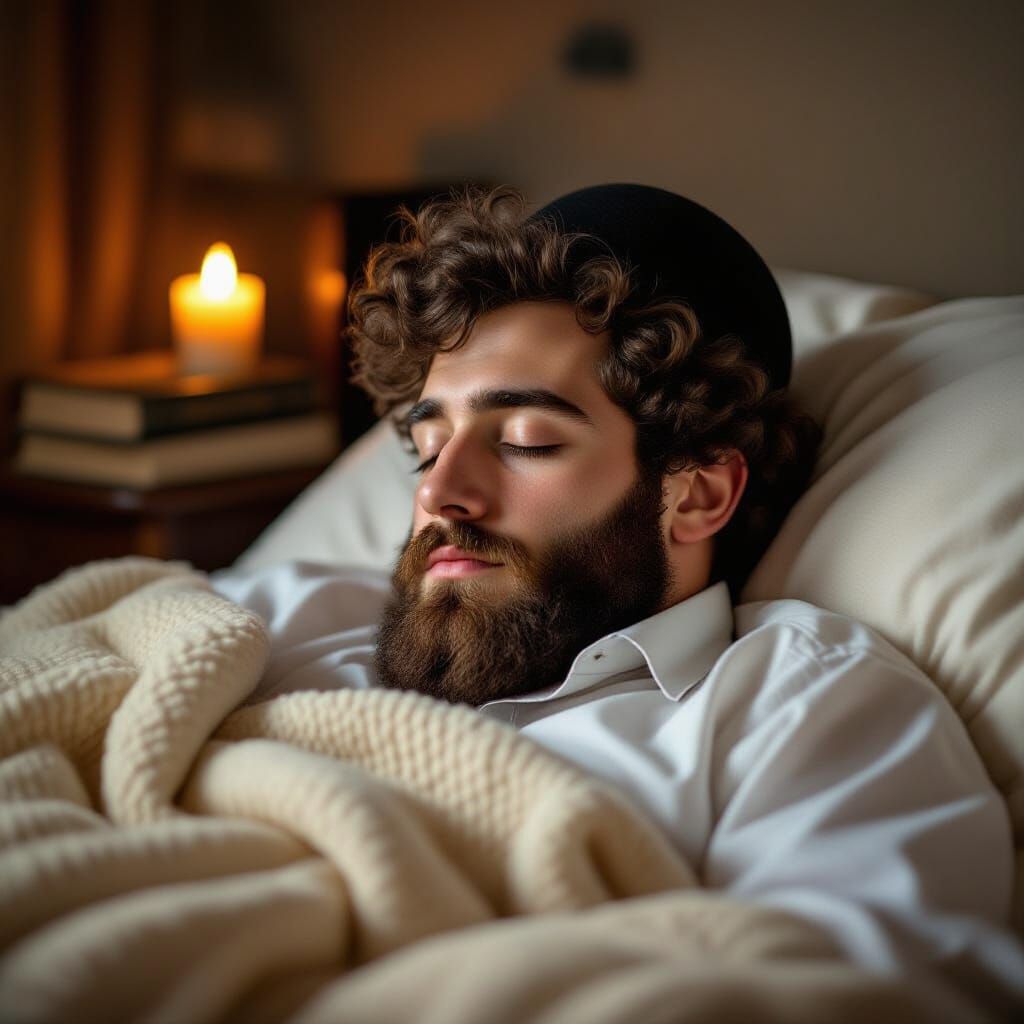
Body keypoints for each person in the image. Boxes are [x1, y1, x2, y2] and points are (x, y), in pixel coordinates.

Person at [213, 184, 1022, 1015]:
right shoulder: (286, 616)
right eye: (425, 448)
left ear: (697, 495)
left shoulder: (800, 708)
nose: (441, 494)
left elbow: (870, 994)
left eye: (526, 441)